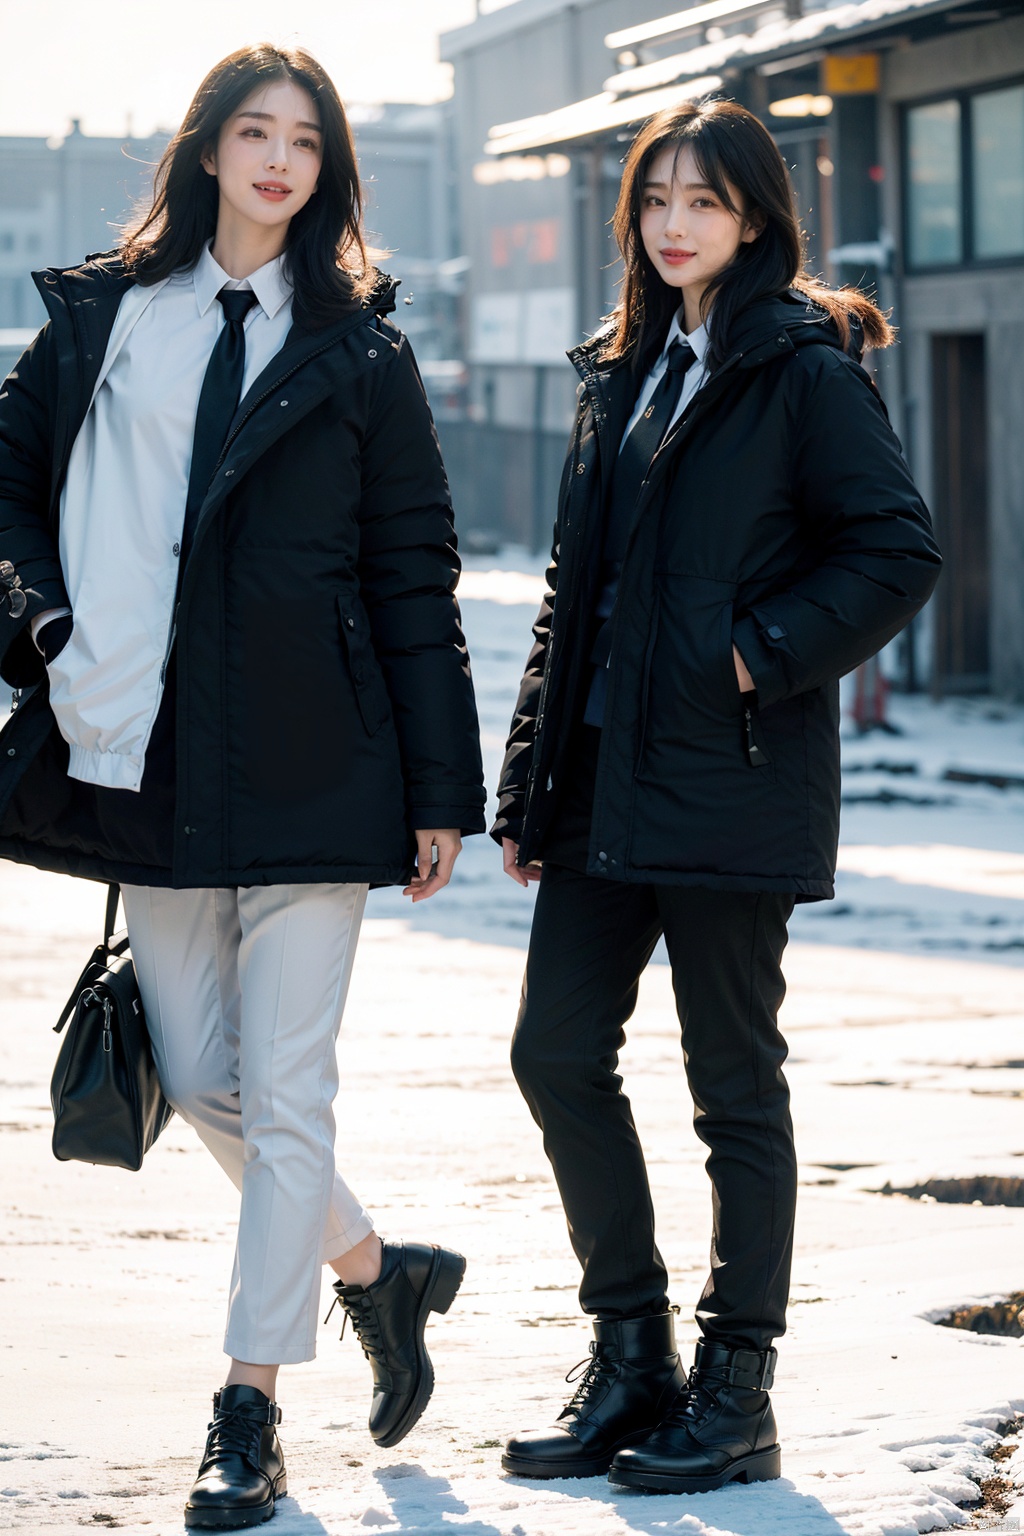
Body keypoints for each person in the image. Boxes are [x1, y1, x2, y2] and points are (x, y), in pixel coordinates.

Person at [0, 42, 485, 1531]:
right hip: (138, 749)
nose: (278, 161)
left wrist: (440, 786)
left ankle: (247, 1411)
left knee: (287, 1096)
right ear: (206, 150)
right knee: (200, 1078)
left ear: (329, 170)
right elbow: (8, 494)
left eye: (305, 142)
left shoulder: (364, 351)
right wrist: (47, 631)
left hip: (317, 759)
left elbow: (415, 574)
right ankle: (374, 1273)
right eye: (252, 134)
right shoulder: (105, 319)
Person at [493, 98, 941, 1495]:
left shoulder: (803, 369)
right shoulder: (621, 370)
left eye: (706, 200)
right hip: (603, 782)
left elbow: (896, 549)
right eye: (656, 199)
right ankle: (633, 1360)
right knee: (555, 1053)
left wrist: (758, 655)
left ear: (755, 219)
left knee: (731, 1087)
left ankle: (737, 1390)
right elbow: (577, 592)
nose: (675, 223)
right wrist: (526, 779)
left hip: (731, 782)